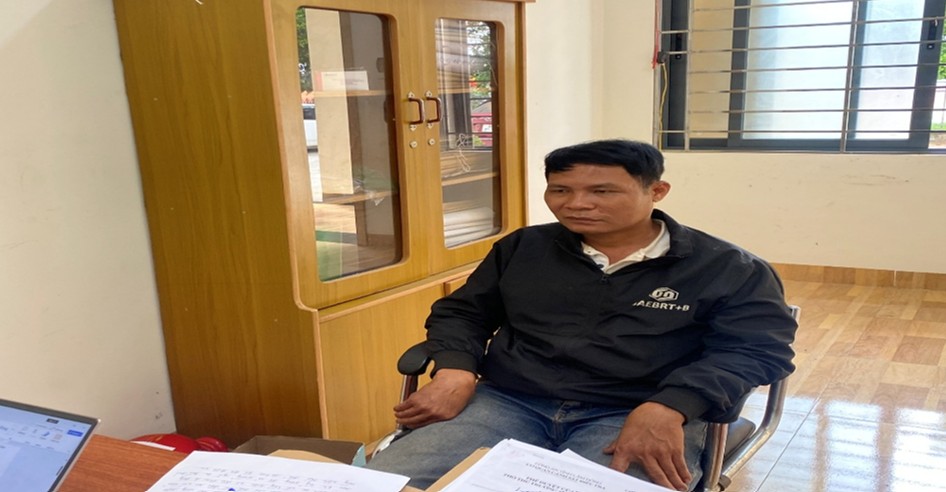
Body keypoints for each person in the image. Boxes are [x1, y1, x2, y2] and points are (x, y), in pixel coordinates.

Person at [366, 139, 797, 491]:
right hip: (508, 400)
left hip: (636, 410)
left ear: (657, 191)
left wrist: (672, 405)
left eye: (602, 192)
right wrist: (456, 370)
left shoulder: (728, 268)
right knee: (380, 483)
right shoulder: (524, 248)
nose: (576, 204)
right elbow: (462, 312)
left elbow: (756, 351)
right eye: (560, 190)